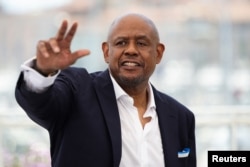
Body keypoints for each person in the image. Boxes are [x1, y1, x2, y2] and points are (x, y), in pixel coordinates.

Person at [15, 13, 196, 167]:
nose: (131, 50)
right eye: (121, 43)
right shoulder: (77, 91)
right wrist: (43, 71)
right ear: (106, 52)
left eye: (141, 43)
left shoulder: (181, 117)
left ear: (158, 53)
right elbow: (40, 103)